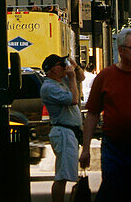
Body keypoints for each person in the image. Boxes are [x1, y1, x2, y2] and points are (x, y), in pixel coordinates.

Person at [80, 27, 131, 200]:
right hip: (114, 149)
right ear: (121, 50)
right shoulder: (105, 77)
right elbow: (92, 115)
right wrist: (86, 148)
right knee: (114, 192)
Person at [40, 54, 84, 202]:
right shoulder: (49, 87)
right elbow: (73, 99)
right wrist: (71, 78)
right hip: (63, 132)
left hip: (70, 132)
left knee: (65, 174)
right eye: (61, 65)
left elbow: (82, 77)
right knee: (62, 176)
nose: (65, 67)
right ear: (52, 70)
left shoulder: (60, 81)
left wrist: (75, 67)